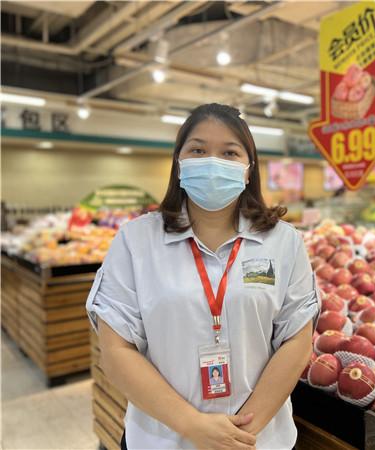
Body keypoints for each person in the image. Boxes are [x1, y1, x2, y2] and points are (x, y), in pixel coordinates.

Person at [86, 103, 320, 450]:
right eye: (198, 150)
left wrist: (240, 434)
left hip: (259, 440)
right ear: (179, 162)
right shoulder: (136, 241)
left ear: (248, 169)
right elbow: (116, 348)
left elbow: (297, 341)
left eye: (229, 152)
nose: (213, 162)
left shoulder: (284, 241)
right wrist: (191, 425)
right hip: (163, 440)